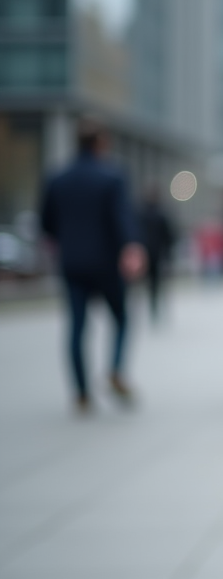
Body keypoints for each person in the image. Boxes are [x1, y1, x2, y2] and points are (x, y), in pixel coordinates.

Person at [40, 122, 145, 413]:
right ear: (101, 143)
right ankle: (115, 368)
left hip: (72, 263)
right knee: (122, 317)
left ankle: (81, 393)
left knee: (76, 327)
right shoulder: (112, 177)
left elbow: (46, 223)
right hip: (106, 263)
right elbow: (122, 217)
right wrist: (132, 247)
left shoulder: (58, 178)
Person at [137, 186, 177, 322]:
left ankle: (151, 308)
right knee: (157, 284)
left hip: (144, 254)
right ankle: (156, 309)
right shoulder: (161, 214)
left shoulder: (141, 213)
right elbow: (170, 236)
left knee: (147, 283)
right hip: (157, 254)